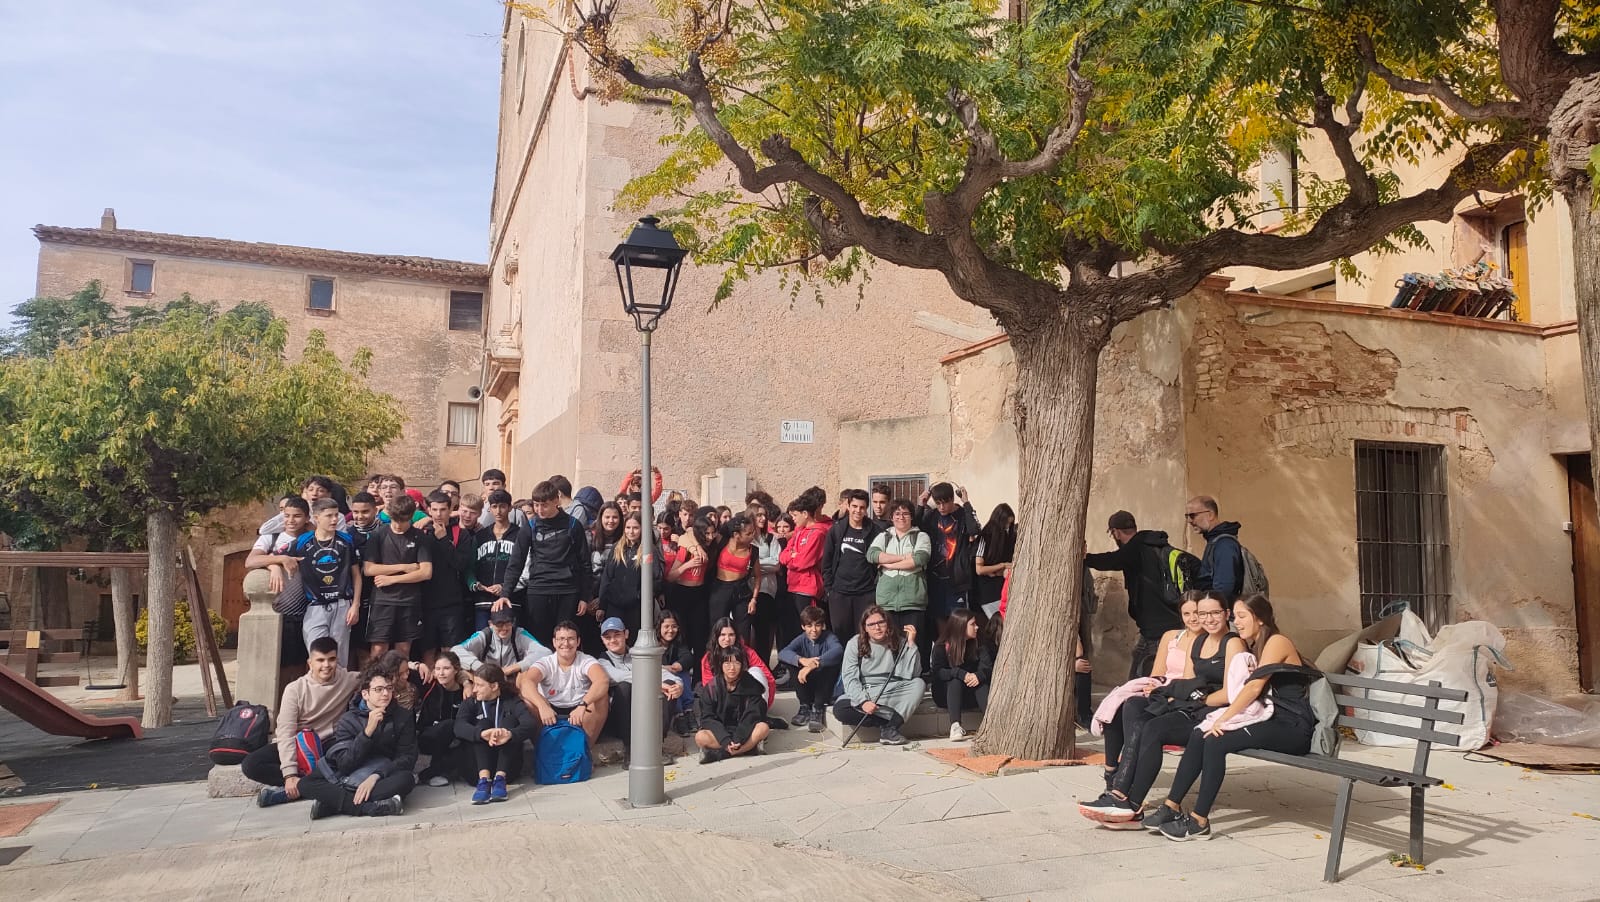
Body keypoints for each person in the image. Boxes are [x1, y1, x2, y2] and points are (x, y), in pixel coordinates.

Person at [1153, 595, 1318, 841]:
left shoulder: (1277, 641)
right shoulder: (1255, 645)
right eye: (1236, 616)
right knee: (1200, 733)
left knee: (1216, 740)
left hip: (1292, 726)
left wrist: (1225, 719)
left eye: (1242, 616)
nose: (1236, 622)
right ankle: (1171, 806)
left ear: (1260, 619)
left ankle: (1199, 821)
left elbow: (1253, 688)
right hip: (1269, 718)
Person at [1078, 590, 1242, 826]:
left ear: (1226, 613)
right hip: (1191, 704)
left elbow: (1229, 693)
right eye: (1203, 613)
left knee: (1153, 728)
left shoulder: (1233, 643)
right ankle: (1120, 793)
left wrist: (1191, 700)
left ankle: (1129, 802)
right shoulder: (1199, 642)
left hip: (1213, 710)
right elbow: (1187, 683)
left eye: (1214, 613)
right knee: (1133, 707)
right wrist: (1173, 696)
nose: (1207, 618)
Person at [1088, 593, 1203, 797]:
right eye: (1187, 614)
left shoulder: (1207, 641)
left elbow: (1189, 679)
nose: (1192, 618)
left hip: (1180, 694)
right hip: (1161, 687)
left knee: (1133, 706)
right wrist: (1152, 685)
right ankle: (1111, 771)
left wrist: (1164, 691)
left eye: (1197, 613)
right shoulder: (1171, 636)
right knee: (1120, 706)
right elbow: (1157, 672)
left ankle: (1124, 777)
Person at [298, 662, 417, 819]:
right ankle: (370, 808)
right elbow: (345, 763)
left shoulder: (403, 717)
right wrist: (367, 732)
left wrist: (376, 776)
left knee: (406, 780)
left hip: (382, 774)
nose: (385, 694)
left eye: (389, 688)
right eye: (378, 689)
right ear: (365, 694)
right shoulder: (348, 719)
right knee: (305, 784)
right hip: (350, 773)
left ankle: (333, 803)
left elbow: (407, 757)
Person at [250, 637, 359, 806]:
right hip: (299, 745)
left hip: (329, 744)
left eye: (331, 659)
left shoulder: (349, 679)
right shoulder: (295, 689)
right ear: (310, 663)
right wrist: (289, 774)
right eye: (320, 660)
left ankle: (301, 790)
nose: (326, 665)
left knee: (351, 756)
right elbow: (285, 732)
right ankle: (308, 786)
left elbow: (379, 673)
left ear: (337, 660)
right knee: (251, 764)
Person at [1085, 510, 1192, 678]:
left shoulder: (1135, 549)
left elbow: (1111, 560)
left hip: (1156, 628)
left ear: (1116, 532)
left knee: (1147, 679)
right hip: (1164, 623)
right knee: (1140, 672)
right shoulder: (1156, 545)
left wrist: (1084, 558)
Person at [832, 605, 925, 746]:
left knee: (919, 684)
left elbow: (912, 674)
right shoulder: (855, 643)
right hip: (867, 690)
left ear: (887, 623)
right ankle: (889, 724)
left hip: (893, 689)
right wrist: (863, 702)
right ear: (865, 628)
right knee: (841, 709)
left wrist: (911, 644)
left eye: (881, 622)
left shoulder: (899, 641)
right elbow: (850, 678)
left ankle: (891, 727)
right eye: (871, 624)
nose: (877, 627)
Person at [519, 480, 594, 648]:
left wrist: (584, 597)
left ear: (556, 501)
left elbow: (585, 563)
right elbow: (516, 561)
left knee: (565, 640)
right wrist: (505, 593)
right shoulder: (530, 526)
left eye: (544, 505)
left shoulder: (573, 525)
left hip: (567, 590)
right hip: (539, 588)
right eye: (536, 505)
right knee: (539, 642)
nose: (539, 510)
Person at [292, 498, 363, 668]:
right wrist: (275, 566)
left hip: (342, 604)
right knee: (317, 654)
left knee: (339, 658)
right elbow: (274, 556)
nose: (334, 519)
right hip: (315, 605)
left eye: (336, 515)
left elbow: (356, 575)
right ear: (316, 517)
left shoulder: (346, 540)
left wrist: (355, 605)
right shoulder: (303, 541)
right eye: (329, 516)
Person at [361, 494, 433, 661]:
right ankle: (376, 678)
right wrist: (404, 567)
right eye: (395, 520)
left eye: (403, 521)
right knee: (378, 649)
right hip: (382, 601)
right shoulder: (378, 535)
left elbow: (425, 572)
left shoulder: (420, 537)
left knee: (403, 650)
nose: (399, 525)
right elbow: (369, 569)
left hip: (409, 601)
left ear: (411, 516)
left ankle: (400, 678)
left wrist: (392, 579)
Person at [517, 621, 610, 746]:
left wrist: (583, 705)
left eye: (571, 639)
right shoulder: (546, 662)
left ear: (578, 642)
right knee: (528, 700)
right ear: (554, 642)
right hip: (550, 708)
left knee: (602, 698)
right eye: (561, 639)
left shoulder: (586, 660)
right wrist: (542, 706)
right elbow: (526, 682)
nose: (566, 644)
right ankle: (542, 748)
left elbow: (602, 681)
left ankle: (586, 749)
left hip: (579, 708)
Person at [454, 661, 537, 803]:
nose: (474, 690)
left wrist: (510, 734)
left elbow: (529, 724)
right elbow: (458, 726)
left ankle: (500, 779)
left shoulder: (511, 701)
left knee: (509, 723)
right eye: (474, 684)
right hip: (475, 769)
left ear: (494, 686)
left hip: (508, 768)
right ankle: (484, 780)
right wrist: (481, 734)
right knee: (483, 724)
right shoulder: (471, 702)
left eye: (479, 685)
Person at [596, 617, 682, 750]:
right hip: (619, 720)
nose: (612, 640)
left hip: (644, 714)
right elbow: (618, 676)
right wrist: (653, 683)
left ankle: (656, 743)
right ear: (602, 640)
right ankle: (629, 748)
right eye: (608, 637)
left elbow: (661, 672)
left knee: (670, 684)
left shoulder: (637, 654)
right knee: (624, 686)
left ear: (626, 634)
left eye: (617, 635)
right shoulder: (602, 661)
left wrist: (678, 686)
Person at [916, 482, 981, 644]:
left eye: (945, 502)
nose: (942, 507)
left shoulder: (962, 514)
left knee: (960, 620)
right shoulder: (931, 516)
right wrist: (920, 506)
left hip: (957, 578)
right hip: (936, 578)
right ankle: (944, 651)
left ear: (952, 499)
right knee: (939, 618)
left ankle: (959, 651)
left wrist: (966, 503)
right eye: (938, 503)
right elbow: (915, 530)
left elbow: (974, 530)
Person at [419, 491, 474, 664]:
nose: (438, 514)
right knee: (427, 651)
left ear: (451, 510)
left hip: (451, 603)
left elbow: (461, 564)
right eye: (434, 509)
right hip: (425, 602)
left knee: (449, 652)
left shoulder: (461, 534)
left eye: (443, 509)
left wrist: (443, 539)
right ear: (428, 510)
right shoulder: (421, 532)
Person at [866, 500, 931, 644]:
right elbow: (872, 555)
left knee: (913, 645)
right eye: (897, 514)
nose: (901, 517)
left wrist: (888, 565)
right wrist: (903, 557)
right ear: (891, 517)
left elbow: (919, 559)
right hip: (887, 603)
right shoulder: (884, 536)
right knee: (889, 646)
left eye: (905, 513)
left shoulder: (921, 537)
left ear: (912, 516)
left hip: (913, 603)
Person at [822, 488, 881, 643]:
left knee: (864, 636)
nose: (857, 511)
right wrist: (829, 590)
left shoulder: (875, 531)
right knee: (840, 636)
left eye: (862, 507)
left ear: (866, 509)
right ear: (848, 506)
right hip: (839, 594)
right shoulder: (836, 530)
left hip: (865, 593)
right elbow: (826, 562)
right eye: (854, 506)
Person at [693, 649, 771, 763]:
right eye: (727, 663)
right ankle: (747, 749)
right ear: (721, 665)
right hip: (721, 731)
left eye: (736, 663)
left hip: (745, 730)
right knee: (700, 737)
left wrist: (739, 738)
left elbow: (752, 715)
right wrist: (725, 740)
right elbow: (708, 718)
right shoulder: (712, 688)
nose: (732, 668)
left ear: (742, 665)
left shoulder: (751, 685)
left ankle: (722, 753)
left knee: (763, 728)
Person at [467, 490, 530, 631]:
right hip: (483, 600)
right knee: (482, 639)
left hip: (511, 601)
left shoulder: (520, 534)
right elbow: (470, 566)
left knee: (509, 640)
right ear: (489, 508)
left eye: (502, 506)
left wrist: (505, 587)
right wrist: (475, 584)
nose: (498, 511)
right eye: (494, 506)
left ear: (510, 507)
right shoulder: (480, 536)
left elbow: (527, 568)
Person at [776, 487, 829, 650]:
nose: (793, 520)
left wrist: (793, 557)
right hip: (792, 585)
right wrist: (792, 556)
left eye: (795, 515)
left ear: (805, 514)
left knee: (809, 628)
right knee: (792, 629)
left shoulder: (818, 533)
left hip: (807, 588)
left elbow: (804, 561)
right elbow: (783, 556)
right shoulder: (799, 531)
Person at [777, 605, 843, 732]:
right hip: (807, 683)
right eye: (809, 626)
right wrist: (802, 660)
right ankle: (804, 706)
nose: (814, 630)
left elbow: (838, 650)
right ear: (803, 627)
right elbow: (783, 653)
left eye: (817, 625)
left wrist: (814, 664)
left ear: (823, 626)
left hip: (824, 686)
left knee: (830, 665)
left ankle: (818, 708)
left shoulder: (829, 637)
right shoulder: (802, 638)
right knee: (792, 663)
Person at [930, 608, 992, 741]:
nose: (977, 627)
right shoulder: (941, 646)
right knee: (955, 680)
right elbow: (938, 673)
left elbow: (988, 668)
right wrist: (960, 673)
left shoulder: (979, 644)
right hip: (946, 696)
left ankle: (991, 724)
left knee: (981, 684)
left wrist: (978, 676)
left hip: (971, 695)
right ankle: (955, 725)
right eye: (972, 624)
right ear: (961, 626)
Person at [596, 512, 659, 637]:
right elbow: (607, 577)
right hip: (615, 605)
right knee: (614, 639)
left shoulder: (648, 550)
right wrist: (602, 605)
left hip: (637, 608)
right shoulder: (617, 548)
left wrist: (639, 595)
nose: (631, 532)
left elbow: (655, 578)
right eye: (628, 527)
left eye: (635, 528)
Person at [666, 508, 715, 657]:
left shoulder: (710, 547)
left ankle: (699, 671)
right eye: (707, 533)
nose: (710, 537)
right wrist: (688, 565)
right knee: (683, 637)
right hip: (682, 593)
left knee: (700, 638)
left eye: (712, 533)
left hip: (699, 594)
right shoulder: (686, 549)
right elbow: (670, 577)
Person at [415, 650, 468, 787]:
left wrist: (467, 683)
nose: (441, 673)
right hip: (428, 736)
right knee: (450, 725)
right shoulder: (430, 685)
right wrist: (417, 665)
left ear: (456, 670)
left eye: (446, 668)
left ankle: (428, 774)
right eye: (438, 669)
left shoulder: (465, 691)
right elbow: (401, 668)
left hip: (454, 740)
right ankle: (430, 773)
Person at [697, 617, 776, 706]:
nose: (727, 639)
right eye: (723, 635)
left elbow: (769, 679)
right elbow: (709, 688)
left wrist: (766, 705)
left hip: (747, 701)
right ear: (716, 636)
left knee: (756, 671)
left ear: (736, 636)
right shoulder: (708, 658)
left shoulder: (748, 653)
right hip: (722, 703)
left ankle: (757, 710)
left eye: (731, 635)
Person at [452, 607, 551, 676]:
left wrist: (514, 667)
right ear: (490, 624)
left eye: (508, 623)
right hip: (488, 677)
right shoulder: (484, 635)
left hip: (513, 677)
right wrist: (481, 667)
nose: (504, 628)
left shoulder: (520, 634)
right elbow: (455, 650)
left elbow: (545, 652)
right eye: (499, 624)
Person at [708, 512, 762, 634]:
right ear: (736, 535)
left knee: (743, 629)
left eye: (753, 532)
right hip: (720, 589)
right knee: (716, 626)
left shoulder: (753, 551)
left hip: (741, 589)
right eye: (748, 534)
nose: (752, 536)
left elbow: (758, 577)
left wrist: (754, 599)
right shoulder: (722, 541)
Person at [1187, 495, 1245, 601]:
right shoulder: (1215, 541)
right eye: (1187, 516)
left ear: (1210, 515)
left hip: (1220, 609)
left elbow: (1223, 590)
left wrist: (1210, 608)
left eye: (1192, 515)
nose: (1189, 521)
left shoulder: (1224, 544)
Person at [747, 502, 782, 662]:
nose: (762, 518)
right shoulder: (746, 539)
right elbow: (744, 565)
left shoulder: (770, 538)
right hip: (749, 590)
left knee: (763, 634)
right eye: (758, 515)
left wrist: (755, 565)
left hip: (767, 591)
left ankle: (763, 667)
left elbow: (776, 563)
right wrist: (759, 564)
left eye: (764, 515)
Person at [658, 610, 698, 733]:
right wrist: (665, 668)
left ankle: (688, 710)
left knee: (683, 672)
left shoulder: (678, 642)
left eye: (674, 626)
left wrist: (679, 665)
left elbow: (688, 657)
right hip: (661, 680)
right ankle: (678, 714)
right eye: (666, 626)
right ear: (659, 627)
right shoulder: (652, 643)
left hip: (676, 676)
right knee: (672, 680)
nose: (671, 630)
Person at [973, 504, 1016, 616]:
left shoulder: (1007, 538)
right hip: (988, 594)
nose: (1007, 527)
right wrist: (1002, 565)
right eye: (1006, 524)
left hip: (1003, 589)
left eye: (1009, 524)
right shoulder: (984, 537)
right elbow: (979, 569)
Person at [589, 503, 625, 578]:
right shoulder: (589, 536)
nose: (611, 520)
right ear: (600, 518)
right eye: (607, 517)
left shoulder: (625, 537)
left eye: (615, 517)